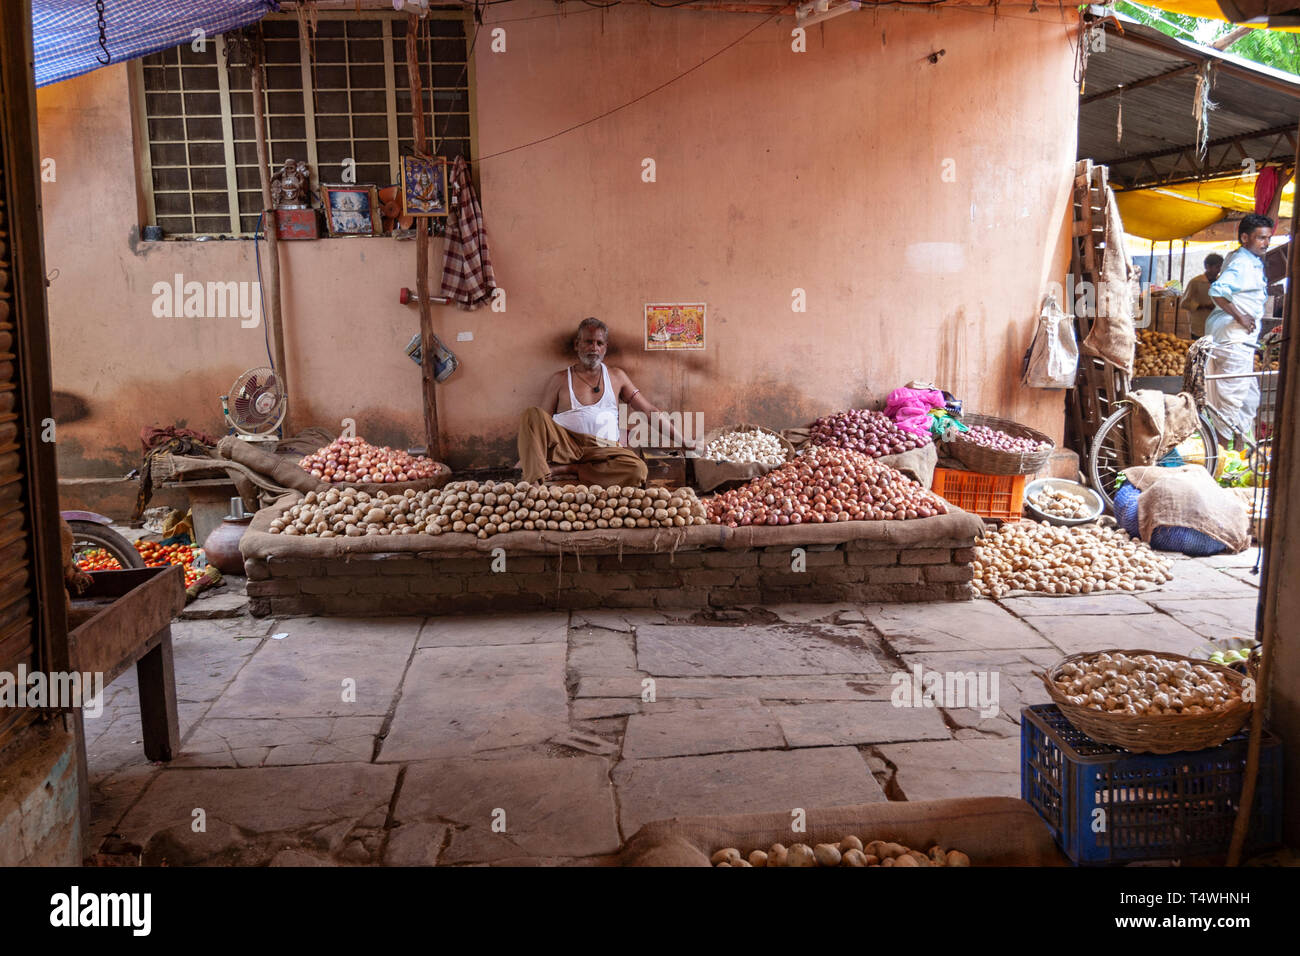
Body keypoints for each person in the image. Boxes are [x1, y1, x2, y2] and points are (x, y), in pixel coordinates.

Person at [517, 317, 699, 486]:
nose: (594, 348)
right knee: (532, 414)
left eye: (599, 343)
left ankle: (570, 470)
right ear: (577, 345)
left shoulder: (617, 376)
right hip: (566, 449)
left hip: (605, 451)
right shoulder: (560, 379)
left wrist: (683, 441)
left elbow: (649, 411)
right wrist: (526, 458)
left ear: (605, 348)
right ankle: (536, 479)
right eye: (588, 342)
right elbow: (539, 423)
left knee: (638, 470)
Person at [1203, 214, 1272, 443]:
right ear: (1245, 238)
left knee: (1247, 399)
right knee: (1230, 404)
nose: (1266, 243)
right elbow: (1217, 291)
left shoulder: (1244, 257)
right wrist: (1240, 316)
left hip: (1238, 340)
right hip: (1233, 339)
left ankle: (1238, 454)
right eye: (1260, 238)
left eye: (1268, 238)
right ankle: (1221, 461)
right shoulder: (1242, 262)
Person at [1179, 253, 1223, 337]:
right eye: (1217, 267)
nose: (1219, 270)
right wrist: (1202, 306)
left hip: (1217, 325)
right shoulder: (1196, 282)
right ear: (1208, 266)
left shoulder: (1221, 281)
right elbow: (1184, 303)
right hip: (1199, 325)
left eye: (1220, 267)